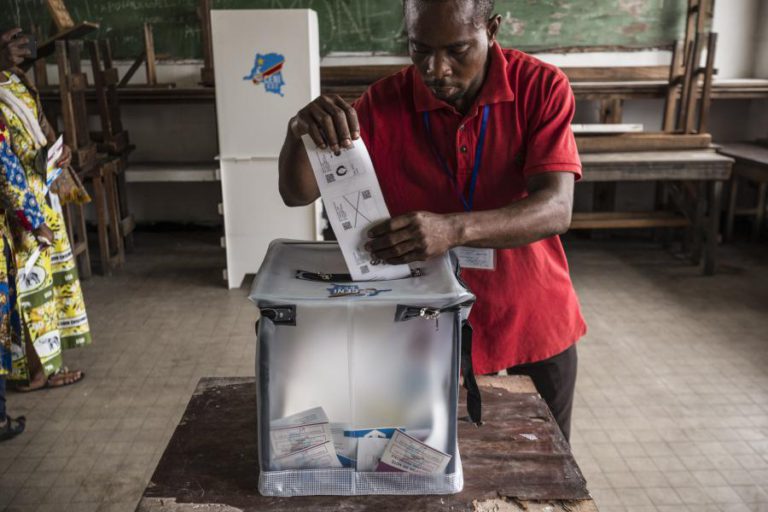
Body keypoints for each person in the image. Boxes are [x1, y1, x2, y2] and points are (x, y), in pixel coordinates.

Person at [278, 0, 586, 440]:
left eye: (457, 50)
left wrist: (452, 229)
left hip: (530, 317)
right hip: (425, 325)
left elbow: (557, 208)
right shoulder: (385, 102)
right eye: (419, 49)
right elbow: (297, 193)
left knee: (543, 463)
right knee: (427, 460)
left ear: (492, 30)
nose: (436, 69)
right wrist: (298, 133)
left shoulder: (540, 87)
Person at [0, 28, 91, 392]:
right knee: (25, 289)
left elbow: (37, 130)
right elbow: (5, 165)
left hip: (38, 196)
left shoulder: (14, 80)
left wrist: (58, 153)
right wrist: (30, 217)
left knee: (43, 290)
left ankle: (44, 367)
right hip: (17, 209)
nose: (18, 51)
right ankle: (36, 371)